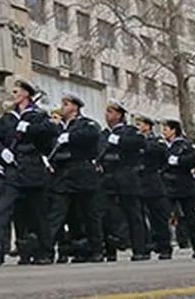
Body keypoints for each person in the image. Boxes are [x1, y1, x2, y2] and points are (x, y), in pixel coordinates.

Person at [0, 77, 56, 266]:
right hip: (13, 169)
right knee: (2, 211)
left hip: (32, 169)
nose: (13, 95)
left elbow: (50, 133)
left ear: (26, 94)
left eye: (16, 92)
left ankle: (44, 251)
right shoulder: (8, 118)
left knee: (38, 213)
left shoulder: (38, 116)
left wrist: (31, 128)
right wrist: (1, 152)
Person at [44, 93, 103, 264]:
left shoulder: (85, 123)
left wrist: (71, 137)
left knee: (89, 215)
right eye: (62, 103)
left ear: (75, 108)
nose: (62, 107)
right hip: (63, 174)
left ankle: (95, 250)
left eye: (66, 104)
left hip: (82, 173)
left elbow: (92, 134)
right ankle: (47, 251)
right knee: (58, 215)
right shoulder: (58, 127)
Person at [98, 99, 147, 262]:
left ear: (119, 115)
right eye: (107, 111)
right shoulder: (104, 134)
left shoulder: (129, 131)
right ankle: (110, 250)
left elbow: (139, 143)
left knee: (133, 214)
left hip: (126, 176)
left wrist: (118, 140)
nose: (107, 115)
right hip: (108, 177)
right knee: (107, 214)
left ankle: (139, 249)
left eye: (111, 112)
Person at [160, 119, 195, 260]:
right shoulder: (162, 146)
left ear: (174, 130)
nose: (163, 132)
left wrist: (179, 160)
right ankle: (165, 249)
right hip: (167, 185)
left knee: (190, 218)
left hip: (184, 185)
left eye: (166, 129)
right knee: (164, 217)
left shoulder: (184, 145)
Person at [134, 115, 173, 259]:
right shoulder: (134, 141)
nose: (137, 128)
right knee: (139, 218)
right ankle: (143, 247)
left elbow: (165, 157)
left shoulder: (156, 141)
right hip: (138, 182)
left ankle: (164, 247)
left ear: (147, 126)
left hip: (153, 183)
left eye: (139, 124)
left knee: (158, 218)